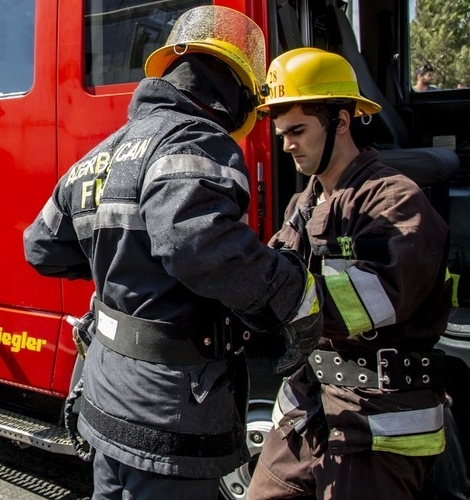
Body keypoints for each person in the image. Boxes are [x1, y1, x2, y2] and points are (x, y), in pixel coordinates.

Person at [23, 6, 323, 499]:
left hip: (107, 399)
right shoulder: (198, 139)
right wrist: (294, 294)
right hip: (169, 412)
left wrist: (121, 262)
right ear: (238, 93)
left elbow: (41, 249)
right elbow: (199, 246)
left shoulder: (99, 155)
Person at [248, 47, 452, 500]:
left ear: (341, 121)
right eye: (282, 133)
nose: (287, 145)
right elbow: (272, 286)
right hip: (307, 408)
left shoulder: (395, 201)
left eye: (298, 131)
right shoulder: (304, 203)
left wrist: (270, 284)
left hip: (378, 421)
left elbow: (371, 302)